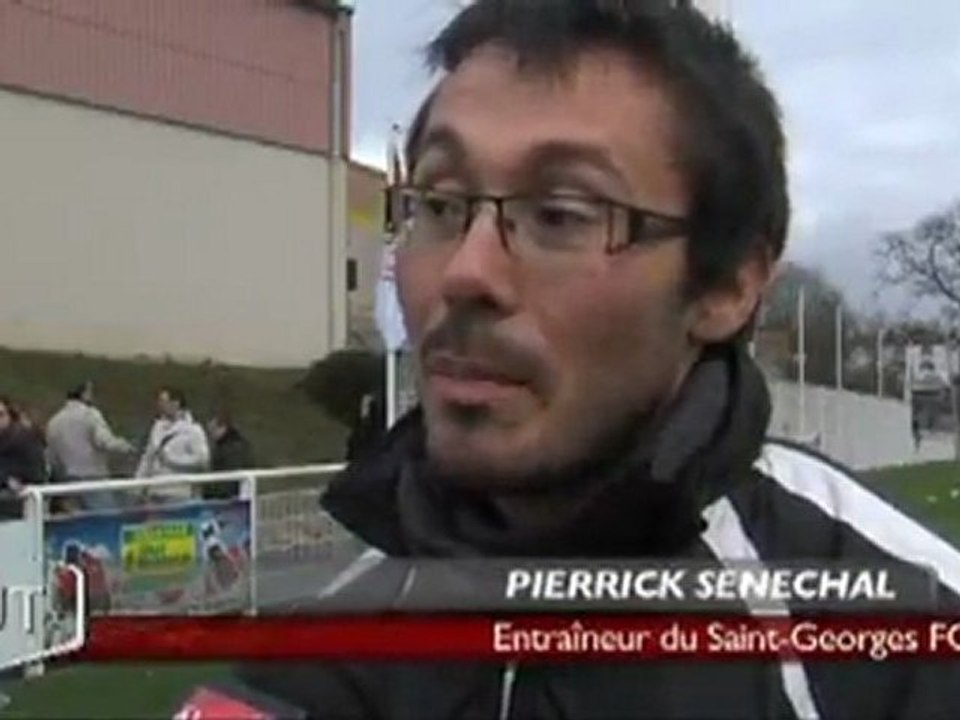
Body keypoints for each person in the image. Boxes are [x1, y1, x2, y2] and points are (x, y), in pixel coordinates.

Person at [215, 2, 960, 718]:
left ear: (730, 285)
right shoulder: (320, 658)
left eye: (562, 214)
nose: (465, 273)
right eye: (439, 204)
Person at [46, 381, 135, 511]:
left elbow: (51, 455)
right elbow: (104, 441)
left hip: (66, 481)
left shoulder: (54, 421)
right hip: (93, 479)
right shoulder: (91, 415)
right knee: (104, 518)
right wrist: (125, 446)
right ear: (84, 394)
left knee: (76, 520)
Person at [136, 387, 209, 503]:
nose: (160, 405)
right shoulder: (157, 427)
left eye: (163, 401)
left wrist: (172, 461)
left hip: (178, 491)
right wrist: (138, 486)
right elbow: (148, 457)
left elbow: (202, 459)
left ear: (176, 403)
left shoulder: (193, 429)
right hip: (155, 490)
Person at [0, 396, 47, 520]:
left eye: (0, 415)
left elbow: (36, 474)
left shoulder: (24, 440)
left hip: (18, 508)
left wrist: (8, 480)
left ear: (10, 416)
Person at [202, 412, 254, 500]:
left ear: (223, 428)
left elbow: (230, 476)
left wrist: (211, 494)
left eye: (213, 430)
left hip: (229, 499)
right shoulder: (234, 444)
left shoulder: (231, 448)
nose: (211, 435)